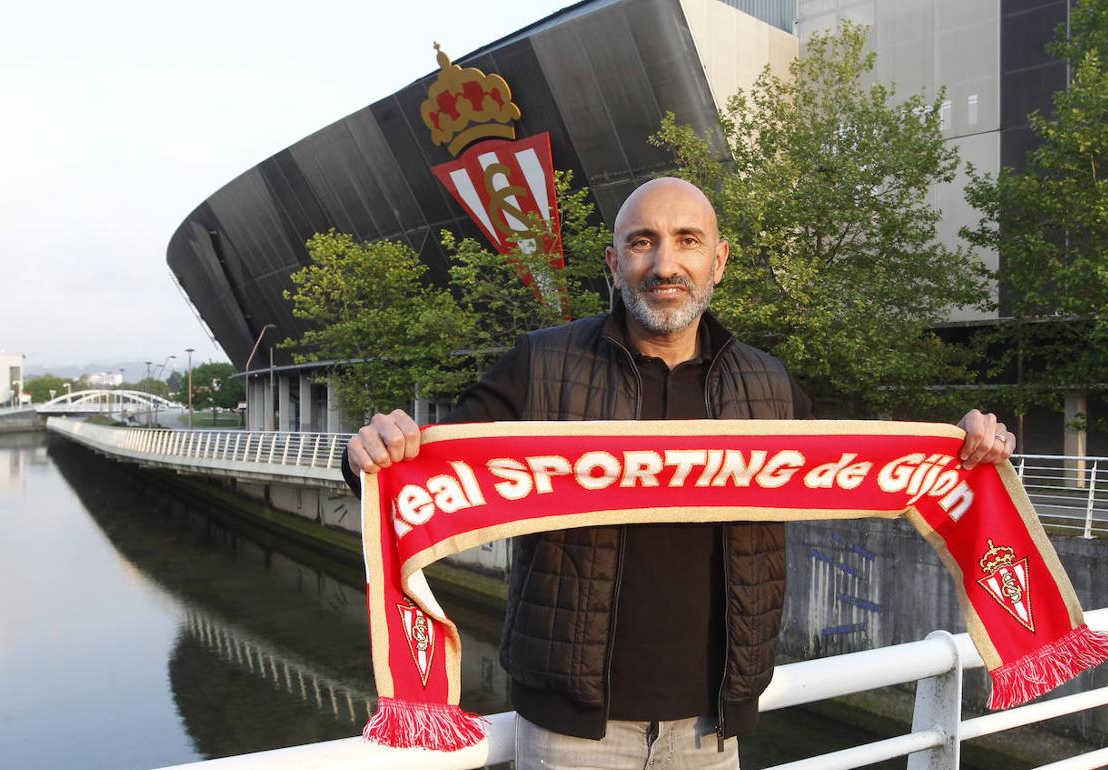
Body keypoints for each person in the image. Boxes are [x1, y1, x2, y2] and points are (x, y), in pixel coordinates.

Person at [343, 177, 1015, 769]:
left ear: (717, 262)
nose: (665, 264)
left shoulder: (770, 383)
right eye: (642, 242)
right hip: (571, 729)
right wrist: (368, 454)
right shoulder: (542, 365)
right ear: (614, 263)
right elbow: (419, 474)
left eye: (687, 240)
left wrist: (965, 448)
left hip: (712, 729)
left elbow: (871, 461)